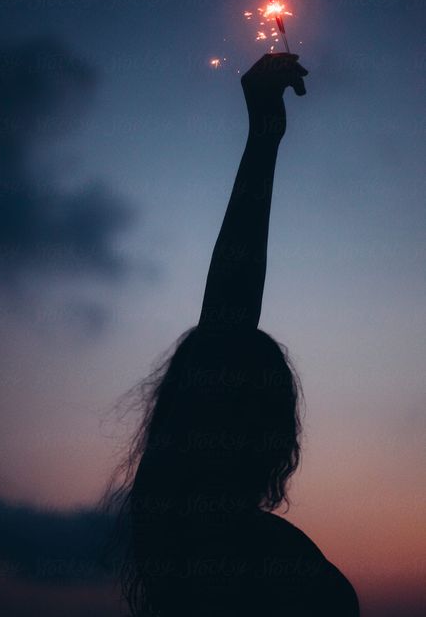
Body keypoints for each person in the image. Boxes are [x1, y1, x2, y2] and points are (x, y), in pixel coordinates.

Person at [104, 54, 360, 616]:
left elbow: (228, 321)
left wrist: (264, 140)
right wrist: (264, 141)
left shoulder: (178, 547)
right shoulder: (233, 551)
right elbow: (229, 318)